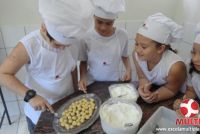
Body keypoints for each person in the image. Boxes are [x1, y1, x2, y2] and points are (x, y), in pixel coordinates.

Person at [0, 0, 93, 133]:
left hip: (66, 104)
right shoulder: (30, 44)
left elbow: (72, 68)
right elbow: (3, 74)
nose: (63, 49)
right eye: (58, 45)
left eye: (67, 45)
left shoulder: (75, 41)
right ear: (44, 28)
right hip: (39, 111)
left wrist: (74, 93)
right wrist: (30, 96)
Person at [132, 13, 187, 103]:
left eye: (144, 47)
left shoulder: (175, 67)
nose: (137, 50)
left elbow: (171, 89)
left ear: (160, 48)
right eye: (136, 43)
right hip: (156, 87)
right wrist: (143, 84)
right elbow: (142, 77)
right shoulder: (136, 55)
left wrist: (155, 96)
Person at [78, 0, 131, 92]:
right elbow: (83, 61)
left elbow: (125, 56)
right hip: (92, 83)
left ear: (114, 20)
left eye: (108, 23)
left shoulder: (122, 35)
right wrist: (82, 78)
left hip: (114, 82)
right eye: (99, 22)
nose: (103, 27)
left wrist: (128, 70)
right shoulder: (86, 36)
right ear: (93, 17)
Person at [173, 23, 200, 112]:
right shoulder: (190, 65)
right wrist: (184, 102)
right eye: (193, 52)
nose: (195, 59)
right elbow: (192, 91)